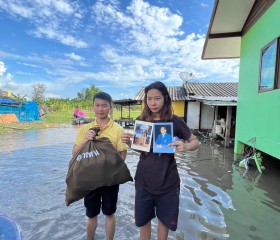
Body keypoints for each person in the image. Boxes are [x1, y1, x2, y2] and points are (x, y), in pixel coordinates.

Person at [121, 81, 199, 240]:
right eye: (149, 99)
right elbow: (141, 149)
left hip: (168, 183)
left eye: (157, 98)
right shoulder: (141, 120)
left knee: (164, 225)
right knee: (143, 223)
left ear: (165, 98)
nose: (153, 103)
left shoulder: (175, 121)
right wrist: (130, 143)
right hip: (144, 181)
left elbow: (195, 141)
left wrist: (186, 146)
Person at [72, 92, 128, 240]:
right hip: (90, 180)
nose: (100, 109)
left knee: (109, 213)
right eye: (97, 105)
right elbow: (74, 153)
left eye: (104, 106)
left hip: (110, 180)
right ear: (93, 107)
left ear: (110, 107)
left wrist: (112, 169)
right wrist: (85, 140)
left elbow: (122, 156)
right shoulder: (85, 129)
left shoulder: (118, 129)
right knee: (91, 214)